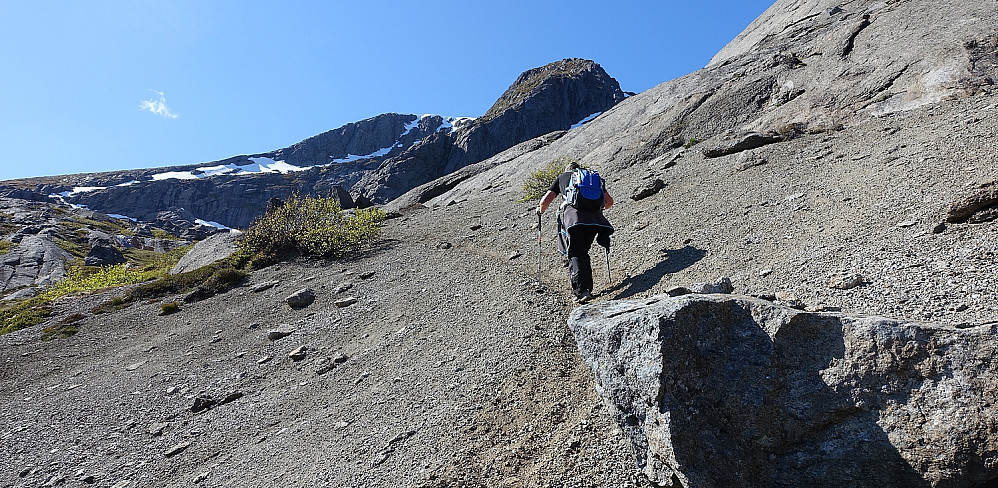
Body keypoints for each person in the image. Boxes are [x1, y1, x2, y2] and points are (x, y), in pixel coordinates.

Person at [536, 161, 614, 303]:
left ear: (568, 170)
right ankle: (588, 288)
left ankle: (582, 291)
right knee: (583, 251)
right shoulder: (592, 178)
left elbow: (545, 201)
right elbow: (609, 202)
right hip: (595, 220)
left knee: (574, 252)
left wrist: (539, 211)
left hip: (574, 219)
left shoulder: (563, 177)